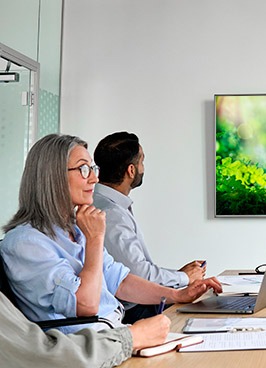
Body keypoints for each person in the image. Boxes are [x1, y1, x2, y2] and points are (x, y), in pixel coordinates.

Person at [0, 134, 222, 334]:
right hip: (87, 349)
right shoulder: (25, 243)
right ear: (53, 177)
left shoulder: (75, 231)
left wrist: (178, 295)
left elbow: (120, 281)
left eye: (92, 169)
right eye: (83, 169)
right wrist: (95, 239)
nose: (94, 179)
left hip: (114, 335)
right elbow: (86, 305)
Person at [92, 131, 205, 323]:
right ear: (131, 171)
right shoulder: (112, 214)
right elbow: (138, 274)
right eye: (141, 161)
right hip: (134, 311)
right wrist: (184, 278)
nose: (143, 167)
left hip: (134, 304)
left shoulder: (104, 203)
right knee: (202, 309)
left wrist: (179, 276)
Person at [0, 291, 169, 367]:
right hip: (96, 344)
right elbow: (48, 357)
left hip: (107, 338)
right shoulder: (26, 242)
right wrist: (132, 337)